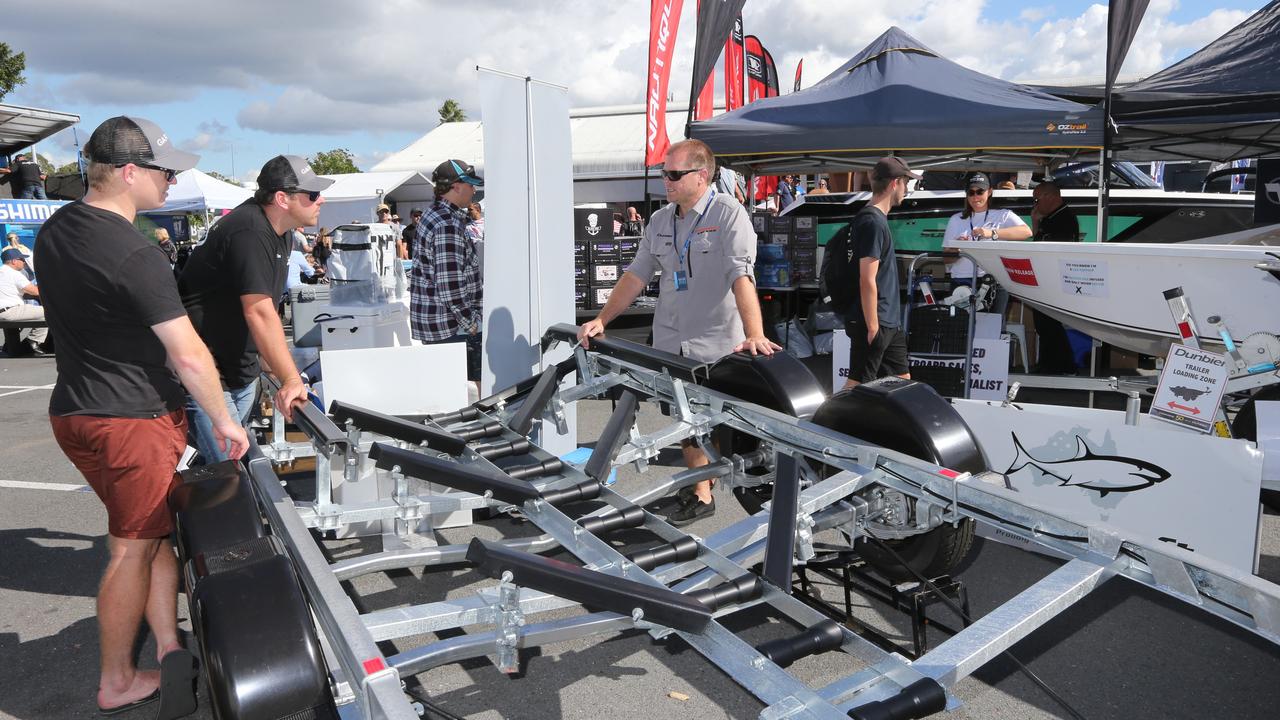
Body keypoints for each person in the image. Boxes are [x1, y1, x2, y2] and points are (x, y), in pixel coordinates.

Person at [34, 115, 250, 716]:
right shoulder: (136, 251)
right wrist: (227, 422)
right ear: (131, 172)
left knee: (153, 534)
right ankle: (117, 680)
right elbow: (187, 353)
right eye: (165, 169)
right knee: (130, 547)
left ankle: (166, 642)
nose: (173, 179)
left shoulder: (57, 232)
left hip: (74, 413)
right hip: (132, 420)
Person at [578, 139, 780, 525]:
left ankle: (726, 486)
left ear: (701, 176)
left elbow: (742, 275)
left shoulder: (728, 214)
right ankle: (701, 494)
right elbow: (636, 274)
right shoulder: (659, 220)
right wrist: (602, 319)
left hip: (717, 342)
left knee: (715, 421)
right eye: (663, 173)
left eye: (673, 174)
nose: (665, 181)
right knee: (684, 417)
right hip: (672, 339)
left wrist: (754, 332)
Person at [178, 155, 328, 463]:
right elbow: (258, 311)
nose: (320, 200)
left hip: (239, 369)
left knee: (235, 468)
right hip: (208, 374)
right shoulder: (251, 229)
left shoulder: (281, 233)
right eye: (312, 194)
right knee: (232, 473)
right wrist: (290, 379)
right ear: (282, 198)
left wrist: (274, 367)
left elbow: (267, 308)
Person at [837, 157, 920, 390]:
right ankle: (822, 424)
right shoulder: (872, 222)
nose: (907, 189)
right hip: (875, 320)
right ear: (895, 183)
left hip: (888, 321)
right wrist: (873, 326)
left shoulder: (875, 219)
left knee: (903, 387)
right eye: (906, 183)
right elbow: (867, 278)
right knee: (856, 387)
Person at [411, 159, 485, 384]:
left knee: (451, 397)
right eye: (470, 184)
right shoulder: (447, 225)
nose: (474, 189)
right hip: (451, 328)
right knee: (474, 399)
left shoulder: (435, 214)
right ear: (456, 186)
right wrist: (471, 324)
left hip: (441, 324)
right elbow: (450, 285)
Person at [942, 172, 1031, 316]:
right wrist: (957, 248)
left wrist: (992, 233)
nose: (975, 197)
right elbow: (946, 258)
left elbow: (1026, 232)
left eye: (980, 191)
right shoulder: (956, 219)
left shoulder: (1002, 215)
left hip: (994, 282)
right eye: (971, 192)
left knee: (993, 330)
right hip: (962, 281)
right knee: (960, 330)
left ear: (989, 192)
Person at [1029, 180, 1080, 374]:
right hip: (1045, 277)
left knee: (1050, 324)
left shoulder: (1064, 219)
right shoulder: (1050, 218)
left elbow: (1054, 250)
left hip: (1056, 277)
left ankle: (1063, 365)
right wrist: (1035, 221)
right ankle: (1049, 363)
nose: (1035, 204)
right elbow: (1037, 242)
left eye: (1036, 199)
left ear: (1050, 197)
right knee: (1044, 324)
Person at [0, 247, 48, 354]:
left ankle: (9, 345)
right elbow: (36, 292)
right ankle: (33, 340)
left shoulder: (2, 271)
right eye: (21, 259)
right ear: (13, 261)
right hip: (10, 311)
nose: (24, 262)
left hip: (3, 311)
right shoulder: (14, 274)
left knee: (28, 311)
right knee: (50, 312)